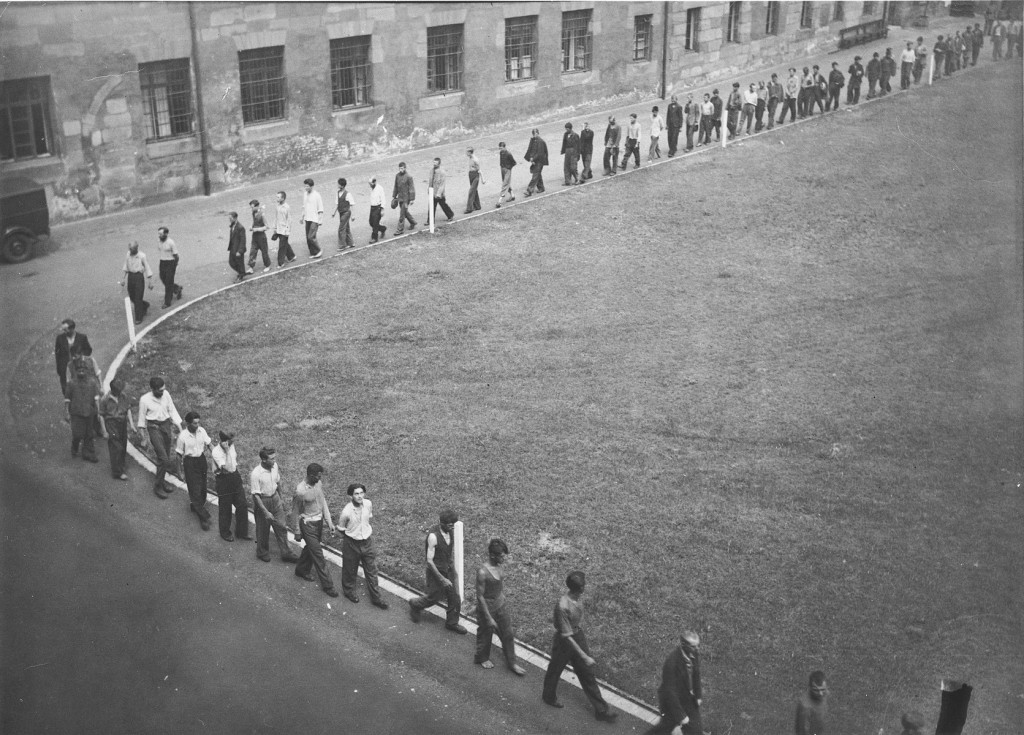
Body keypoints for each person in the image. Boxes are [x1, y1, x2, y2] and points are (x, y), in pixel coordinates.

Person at [541, 571, 617, 723]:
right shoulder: (562, 606)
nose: (585, 586)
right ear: (578, 588)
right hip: (564, 641)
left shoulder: (576, 598)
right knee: (555, 670)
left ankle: (601, 710)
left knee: (587, 673)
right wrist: (584, 656)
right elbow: (566, 636)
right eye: (583, 585)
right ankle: (548, 697)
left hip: (576, 634)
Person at [408, 509, 468, 634]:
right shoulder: (433, 537)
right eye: (449, 525)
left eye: (453, 525)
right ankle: (415, 604)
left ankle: (452, 623)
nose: (452, 528)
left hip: (448, 569)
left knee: (455, 597)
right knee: (434, 598)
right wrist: (442, 579)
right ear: (442, 523)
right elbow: (429, 561)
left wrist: (451, 571)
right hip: (436, 571)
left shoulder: (450, 532)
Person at [474, 538, 526, 675]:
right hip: (487, 608)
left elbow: (498, 586)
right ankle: (481, 658)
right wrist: (488, 617)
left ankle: (512, 662)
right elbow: (480, 596)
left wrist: (502, 597)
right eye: (502, 556)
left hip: (500, 605)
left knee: (507, 634)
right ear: (492, 555)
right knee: (485, 635)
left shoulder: (499, 565)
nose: (504, 558)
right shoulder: (482, 573)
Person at [290, 463, 339, 597]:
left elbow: (323, 502)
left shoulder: (318, 484)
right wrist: (297, 531)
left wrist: (329, 522)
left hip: (318, 524)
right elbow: (295, 511)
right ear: (311, 475)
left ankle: (301, 569)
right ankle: (328, 586)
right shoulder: (300, 491)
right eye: (318, 476)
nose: (320, 478)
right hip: (307, 525)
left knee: (311, 548)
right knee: (318, 555)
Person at [337, 483, 388, 608]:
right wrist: (351, 537)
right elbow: (341, 529)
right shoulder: (346, 512)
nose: (360, 496)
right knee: (349, 569)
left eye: (361, 493)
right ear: (351, 496)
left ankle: (376, 598)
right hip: (351, 543)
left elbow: (367, 518)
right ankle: (349, 592)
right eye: (356, 494)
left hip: (367, 542)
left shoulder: (368, 504)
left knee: (371, 571)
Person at [645, 631, 704, 735]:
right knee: (664, 729)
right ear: (683, 645)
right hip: (671, 702)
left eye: (698, 646)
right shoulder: (672, 663)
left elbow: (696, 674)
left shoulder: (694, 653)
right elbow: (670, 691)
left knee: (696, 729)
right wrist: (681, 716)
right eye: (693, 646)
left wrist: (698, 694)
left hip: (687, 698)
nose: (697, 649)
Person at [249, 447, 299, 563]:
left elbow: (278, 483)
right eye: (272, 459)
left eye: (275, 458)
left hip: (275, 498)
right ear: (263, 459)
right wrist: (265, 512)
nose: (274, 461)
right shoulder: (256, 474)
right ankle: (262, 552)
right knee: (263, 530)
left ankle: (286, 553)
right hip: (263, 501)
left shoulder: (274, 466)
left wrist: (280, 499)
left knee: (281, 526)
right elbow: (256, 496)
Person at [137, 376, 184, 499]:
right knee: (164, 459)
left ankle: (162, 481)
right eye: (160, 390)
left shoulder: (166, 394)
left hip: (166, 426)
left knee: (165, 457)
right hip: (154, 428)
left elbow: (172, 410)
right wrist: (143, 438)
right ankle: (157, 486)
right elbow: (141, 420)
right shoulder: (144, 400)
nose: (162, 392)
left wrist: (180, 428)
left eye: (163, 390)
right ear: (152, 389)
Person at [175, 411, 213, 531]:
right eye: (194, 423)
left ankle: (196, 505)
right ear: (188, 423)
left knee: (202, 488)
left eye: (198, 422)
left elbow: (209, 444)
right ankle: (203, 517)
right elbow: (178, 456)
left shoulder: (202, 431)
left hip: (201, 461)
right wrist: (179, 472)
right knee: (195, 490)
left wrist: (217, 457)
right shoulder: (183, 437)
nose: (197, 425)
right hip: (190, 463)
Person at [211, 431, 250, 542]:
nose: (233, 443)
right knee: (225, 507)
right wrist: (227, 451)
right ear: (224, 442)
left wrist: (230, 450)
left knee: (242, 505)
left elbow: (233, 462)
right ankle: (224, 532)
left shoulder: (231, 446)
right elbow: (226, 468)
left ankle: (242, 532)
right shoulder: (216, 452)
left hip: (235, 477)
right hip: (224, 480)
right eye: (230, 441)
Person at [98, 377, 135, 481]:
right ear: (113, 390)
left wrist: (131, 424)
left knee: (123, 445)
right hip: (111, 424)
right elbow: (101, 415)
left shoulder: (123, 396)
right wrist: (104, 431)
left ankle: (121, 465)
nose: (120, 392)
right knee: (116, 447)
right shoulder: (105, 399)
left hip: (122, 423)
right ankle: (117, 472)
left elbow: (128, 410)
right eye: (118, 390)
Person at [64, 363, 101, 463]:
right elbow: (67, 399)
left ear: (87, 371)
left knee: (89, 434)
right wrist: (66, 413)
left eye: (83, 370)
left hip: (89, 412)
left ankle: (88, 453)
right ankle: (74, 446)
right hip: (76, 413)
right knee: (77, 434)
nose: (81, 372)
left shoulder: (92, 383)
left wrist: (98, 411)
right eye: (79, 370)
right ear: (75, 371)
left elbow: (96, 398)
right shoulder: (71, 384)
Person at [55, 318, 93, 396]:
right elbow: (57, 355)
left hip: (79, 368)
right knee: (66, 391)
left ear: (72, 329)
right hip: (66, 369)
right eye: (63, 330)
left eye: (66, 330)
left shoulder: (82, 337)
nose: (64, 332)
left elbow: (88, 351)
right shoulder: (60, 338)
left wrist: (80, 355)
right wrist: (60, 370)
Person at [120, 242, 154, 325]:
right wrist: (123, 278)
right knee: (132, 296)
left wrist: (150, 281)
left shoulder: (142, 256)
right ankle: (144, 305)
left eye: (132, 249)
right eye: (130, 249)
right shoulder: (128, 254)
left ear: (137, 248)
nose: (131, 251)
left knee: (138, 297)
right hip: (131, 277)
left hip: (139, 277)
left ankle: (139, 317)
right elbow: (126, 266)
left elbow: (147, 267)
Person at [794, 670, 829, 735]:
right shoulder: (804, 706)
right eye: (816, 690)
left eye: (823, 689)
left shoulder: (826, 694)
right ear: (810, 688)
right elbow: (800, 731)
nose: (820, 694)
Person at [156, 226, 182, 308]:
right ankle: (177, 288)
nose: (159, 236)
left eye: (161, 234)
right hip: (162, 262)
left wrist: (175, 264)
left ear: (166, 234)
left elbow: (176, 255)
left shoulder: (171, 242)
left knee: (168, 282)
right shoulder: (159, 241)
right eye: (158, 234)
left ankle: (167, 302)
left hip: (170, 262)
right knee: (163, 278)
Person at [299, 178, 324, 258]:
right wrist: (302, 217)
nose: (305, 188)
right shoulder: (305, 194)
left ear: (311, 186)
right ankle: (313, 253)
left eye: (307, 186)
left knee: (311, 237)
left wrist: (320, 220)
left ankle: (319, 250)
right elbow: (304, 206)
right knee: (308, 237)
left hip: (314, 219)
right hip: (307, 219)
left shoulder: (317, 195)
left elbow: (320, 209)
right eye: (305, 186)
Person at [425, 158, 455, 222]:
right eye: (433, 163)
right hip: (433, 192)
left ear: (439, 164)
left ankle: (450, 215)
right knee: (431, 206)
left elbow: (442, 185)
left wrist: (438, 194)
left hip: (439, 193)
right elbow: (431, 181)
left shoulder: (442, 173)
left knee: (443, 205)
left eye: (435, 163)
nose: (434, 164)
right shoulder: (431, 170)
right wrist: (429, 189)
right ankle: (430, 220)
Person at [272, 191, 297, 266]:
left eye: (278, 197)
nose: (277, 198)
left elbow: (289, 220)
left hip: (284, 230)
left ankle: (281, 263)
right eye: (277, 197)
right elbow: (276, 217)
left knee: (281, 247)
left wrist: (287, 231)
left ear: (283, 198)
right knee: (285, 244)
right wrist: (275, 227)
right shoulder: (277, 206)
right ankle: (291, 256)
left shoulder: (287, 207)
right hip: (279, 229)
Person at [392, 162, 417, 234]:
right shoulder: (397, 176)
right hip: (400, 198)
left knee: (402, 214)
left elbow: (412, 188)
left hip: (406, 199)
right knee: (405, 212)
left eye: (402, 168)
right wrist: (394, 196)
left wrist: (412, 199)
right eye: (399, 168)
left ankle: (400, 230)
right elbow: (395, 186)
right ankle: (413, 222)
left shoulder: (409, 177)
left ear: (405, 168)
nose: (400, 170)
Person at [247, 199, 271, 272]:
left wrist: (257, 229)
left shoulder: (262, 214)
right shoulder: (253, 213)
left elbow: (267, 227)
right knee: (252, 251)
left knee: (264, 251)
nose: (251, 209)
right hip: (254, 236)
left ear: (257, 206)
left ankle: (267, 265)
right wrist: (251, 226)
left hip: (261, 236)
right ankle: (251, 267)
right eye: (251, 207)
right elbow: (254, 221)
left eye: (252, 207)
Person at [332, 178, 355, 250]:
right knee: (347, 228)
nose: (337, 185)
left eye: (338, 184)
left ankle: (342, 245)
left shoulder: (348, 194)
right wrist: (334, 212)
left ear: (342, 185)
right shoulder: (338, 193)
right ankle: (351, 243)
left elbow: (351, 204)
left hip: (346, 213)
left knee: (341, 229)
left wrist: (353, 215)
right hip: (341, 213)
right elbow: (337, 204)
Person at [523, 128, 548, 196]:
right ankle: (541, 188)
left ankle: (529, 190)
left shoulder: (540, 142)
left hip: (540, 161)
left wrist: (533, 159)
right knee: (537, 175)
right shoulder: (533, 141)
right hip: (535, 161)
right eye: (533, 134)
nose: (534, 135)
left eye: (535, 133)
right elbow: (531, 150)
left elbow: (539, 153)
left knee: (535, 176)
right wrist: (531, 158)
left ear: (538, 133)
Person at [227, 211, 247, 282]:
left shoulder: (240, 227)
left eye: (231, 218)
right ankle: (241, 272)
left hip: (238, 249)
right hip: (233, 248)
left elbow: (243, 240)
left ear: (235, 218)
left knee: (239, 263)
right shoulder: (233, 225)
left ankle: (241, 275)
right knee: (231, 262)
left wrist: (240, 251)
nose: (229, 219)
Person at [495, 143, 516, 207]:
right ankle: (512, 195)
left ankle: (499, 201)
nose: (500, 149)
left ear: (504, 147)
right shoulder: (501, 153)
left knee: (505, 184)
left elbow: (514, 162)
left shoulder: (508, 154)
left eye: (501, 148)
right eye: (499, 148)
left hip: (507, 170)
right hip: (502, 169)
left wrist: (508, 168)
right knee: (506, 182)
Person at [367, 177, 387, 243]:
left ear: (375, 182)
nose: (370, 185)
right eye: (369, 183)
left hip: (378, 208)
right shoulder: (371, 188)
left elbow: (383, 199)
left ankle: (374, 238)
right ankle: (382, 229)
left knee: (375, 223)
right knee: (371, 222)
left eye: (371, 183)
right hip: (372, 207)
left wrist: (382, 209)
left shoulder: (380, 188)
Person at [465, 147, 483, 212]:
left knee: (471, 191)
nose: (466, 153)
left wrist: (482, 179)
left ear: (470, 152)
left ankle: (469, 208)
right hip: (471, 175)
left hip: (475, 176)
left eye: (467, 152)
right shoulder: (470, 158)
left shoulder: (475, 160)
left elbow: (479, 170)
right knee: (474, 191)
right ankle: (477, 206)